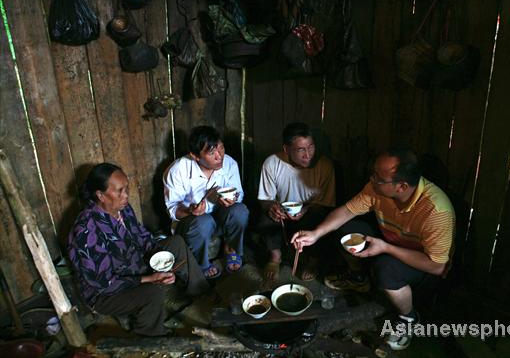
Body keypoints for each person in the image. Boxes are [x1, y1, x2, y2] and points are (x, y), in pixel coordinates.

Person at [291, 148, 455, 350]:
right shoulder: (376, 189)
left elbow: (437, 266)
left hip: (423, 263)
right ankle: (360, 279)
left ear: (402, 186)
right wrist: (315, 234)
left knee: (386, 268)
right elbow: (347, 210)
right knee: (347, 230)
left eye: (378, 177)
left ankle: (409, 318)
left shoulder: (436, 211)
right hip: (391, 243)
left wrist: (385, 248)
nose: (372, 179)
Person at [68, 163, 209, 337]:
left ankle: (201, 292)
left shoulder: (123, 208)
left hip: (134, 265)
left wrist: (162, 261)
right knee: (153, 290)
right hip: (105, 293)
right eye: (119, 191)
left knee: (176, 244)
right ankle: (149, 334)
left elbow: (141, 236)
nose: (126, 195)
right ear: (100, 195)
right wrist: (150, 278)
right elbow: (104, 283)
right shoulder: (86, 231)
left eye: (126, 188)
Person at [164, 126, 249, 279]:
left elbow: (239, 193)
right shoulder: (178, 170)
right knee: (203, 220)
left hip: (218, 218)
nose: (219, 156)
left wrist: (233, 199)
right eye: (212, 153)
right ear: (195, 156)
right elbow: (172, 208)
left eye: (221, 148)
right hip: (192, 225)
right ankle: (201, 264)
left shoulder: (229, 163)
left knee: (240, 210)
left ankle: (231, 249)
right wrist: (190, 211)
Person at [257, 122, 335, 281]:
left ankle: (313, 261)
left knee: (321, 219)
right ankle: (275, 258)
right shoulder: (272, 163)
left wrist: (305, 210)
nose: (308, 154)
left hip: (310, 214)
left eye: (311, 147)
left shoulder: (324, 165)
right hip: (283, 217)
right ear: (286, 149)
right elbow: (265, 199)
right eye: (301, 150)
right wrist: (271, 207)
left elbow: (325, 204)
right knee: (265, 216)